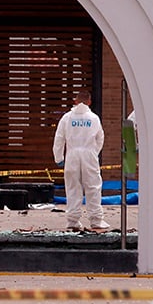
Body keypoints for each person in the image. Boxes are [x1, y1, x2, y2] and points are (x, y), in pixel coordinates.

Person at [53, 90, 109, 231]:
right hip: (89, 154)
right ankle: (96, 220)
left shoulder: (67, 118)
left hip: (72, 154)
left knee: (72, 187)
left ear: (75, 101)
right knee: (93, 187)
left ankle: (72, 221)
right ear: (89, 102)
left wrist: (59, 158)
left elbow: (59, 139)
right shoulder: (94, 118)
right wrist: (93, 152)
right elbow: (100, 138)